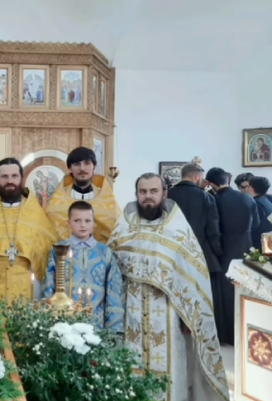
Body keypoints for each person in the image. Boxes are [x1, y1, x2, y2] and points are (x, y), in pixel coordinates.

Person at [108, 173, 229, 401]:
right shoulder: (123, 228)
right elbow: (111, 268)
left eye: (153, 191)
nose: (148, 197)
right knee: (128, 369)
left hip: (168, 314)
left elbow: (192, 277)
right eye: (143, 192)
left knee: (168, 370)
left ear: (164, 193)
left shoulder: (178, 231)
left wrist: (188, 317)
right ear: (137, 194)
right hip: (129, 313)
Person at [0, 158, 59, 301]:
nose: (9, 181)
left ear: (22, 178)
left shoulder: (34, 212)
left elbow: (46, 250)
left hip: (28, 283)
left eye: (14, 176)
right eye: (4, 177)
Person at [41, 201, 124, 332]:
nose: (83, 225)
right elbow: (49, 285)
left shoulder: (104, 253)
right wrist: (49, 320)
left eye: (87, 220)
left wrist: (113, 329)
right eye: (77, 220)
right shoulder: (59, 250)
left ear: (94, 224)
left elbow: (113, 291)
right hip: (64, 324)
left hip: (96, 325)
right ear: (69, 223)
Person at [166, 163, 226, 343]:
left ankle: (173, 332)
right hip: (200, 254)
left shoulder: (168, 195)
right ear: (198, 177)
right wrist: (218, 252)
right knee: (198, 295)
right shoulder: (206, 197)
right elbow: (212, 229)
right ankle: (197, 334)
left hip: (171, 252)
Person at [206, 167, 258, 346]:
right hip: (246, 246)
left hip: (225, 248)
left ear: (211, 184)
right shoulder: (247, 197)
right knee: (247, 290)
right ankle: (247, 333)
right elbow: (256, 222)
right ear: (228, 180)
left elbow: (213, 227)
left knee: (226, 295)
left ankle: (228, 336)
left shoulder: (213, 200)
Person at [45, 147, 121, 243]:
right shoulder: (56, 202)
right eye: (77, 164)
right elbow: (49, 231)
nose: (82, 168)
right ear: (70, 168)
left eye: (87, 163)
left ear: (94, 167)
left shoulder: (108, 201)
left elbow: (117, 230)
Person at [248, 176, 272, 250]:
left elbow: (253, 225)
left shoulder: (255, 203)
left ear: (251, 188)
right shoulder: (267, 201)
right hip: (268, 240)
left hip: (259, 242)